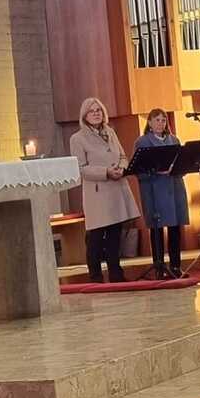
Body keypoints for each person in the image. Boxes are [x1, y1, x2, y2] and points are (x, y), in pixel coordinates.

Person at [69, 97, 140, 283]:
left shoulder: (110, 132)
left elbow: (123, 156)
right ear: (84, 116)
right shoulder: (77, 139)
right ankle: (95, 276)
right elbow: (81, 168)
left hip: (116, 188)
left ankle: (116, 273)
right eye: (92, 111)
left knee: (115, 233)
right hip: (98, 191)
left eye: (98, 110)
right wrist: (106, 172)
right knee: (96, 236)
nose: (96, 114)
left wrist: (122, 168)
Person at [134, 109, 189, 279]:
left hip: (174, 187)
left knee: (175, 228)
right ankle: (159, 267)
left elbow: (183, 164)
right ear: (149, 122)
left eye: (163, 120)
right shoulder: (143, 142)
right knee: (157, 229)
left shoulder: (174, 140)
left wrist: (178, 168)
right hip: (155, 189)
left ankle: (175, 266)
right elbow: (138, 168)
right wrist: (157, 170)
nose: (160, 123)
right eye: (157, 120)